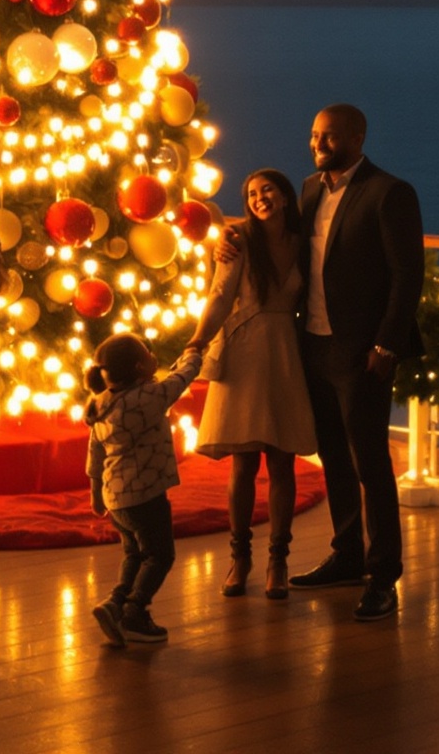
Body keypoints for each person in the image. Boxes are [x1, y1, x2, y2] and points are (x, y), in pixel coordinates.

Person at [286, 104, 424, 623]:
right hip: (314, 343)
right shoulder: (309, 189)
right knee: (333, 460)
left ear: (358, 137)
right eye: (315, 134)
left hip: (361, 351)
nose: (319, 143)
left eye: (330, 135)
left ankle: (384, 575)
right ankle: (346, 556)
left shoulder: (390, 192)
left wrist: (386, 346)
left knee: (371, 464)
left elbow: (406, 276)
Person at [180, 168, 317, 601]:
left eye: (268, 189)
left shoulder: (302, 241)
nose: (260, 198)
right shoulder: (236, 240)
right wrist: (199, 338)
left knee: (281, 460)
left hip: (284, 354)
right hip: (242, 352)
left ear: (284, 194)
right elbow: (220, 295)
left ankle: (279, 559)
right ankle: (240, 558)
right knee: (243, 461)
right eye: (252, 193)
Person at [83, 332, 201, 647]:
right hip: (145, 495)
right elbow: (181, 379)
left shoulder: (101, 404)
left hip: (116, 498)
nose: (153, 355)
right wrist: (194, 352)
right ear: (139, 367)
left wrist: (96, 493)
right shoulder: (149, 397)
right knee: (160, 555)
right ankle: (135, 613)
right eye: (148, 353)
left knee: (134, 553)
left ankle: (115, 603)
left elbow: (95, 453)